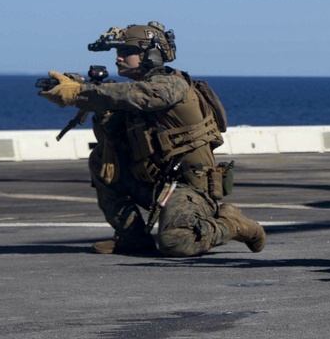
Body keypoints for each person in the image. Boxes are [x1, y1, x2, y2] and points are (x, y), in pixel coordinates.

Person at [38, 22, 266, 257]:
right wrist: (90, 96)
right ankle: (132, 238)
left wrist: (80, 92)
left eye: (126, 52)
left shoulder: (172, 84)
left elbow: (141, 96)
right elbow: (115, 131)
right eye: (118, 52)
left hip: (187, 187)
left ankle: (232, 223)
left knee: (177, 243)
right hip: (153, 184)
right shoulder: (134, 94)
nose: (119, 58)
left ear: (151, 54)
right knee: (101, 160)